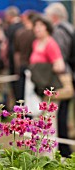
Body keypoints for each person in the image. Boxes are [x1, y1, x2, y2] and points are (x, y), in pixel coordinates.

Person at [45, 3, 75, 157]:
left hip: (63, 77)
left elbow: (59, 58)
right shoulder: (69, 28)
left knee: (61, 114)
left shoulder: (59, 31)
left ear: (54, 17)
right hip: (70, 74)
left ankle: (64, 150)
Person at [14, 11, 38, 100]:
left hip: (22, 64)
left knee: (22, 93)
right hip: (32, 66)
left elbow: (16, 52)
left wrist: (17, 66)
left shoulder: (20, 32)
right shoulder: (35, 34)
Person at [4, 6, 23, 102]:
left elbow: (7, 45)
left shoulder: (10, 28)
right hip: (23, 60)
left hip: (13, 59)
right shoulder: (23, 25)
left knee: (15, 85)